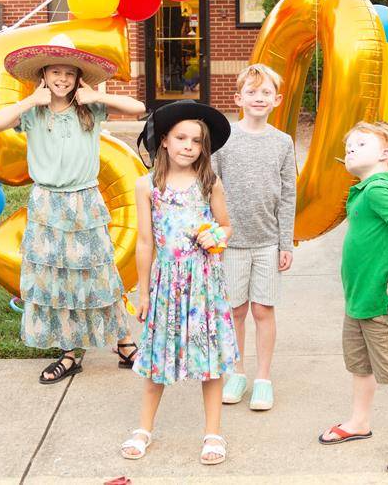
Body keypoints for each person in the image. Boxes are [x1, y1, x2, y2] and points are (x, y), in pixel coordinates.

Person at [0, 34, 145, 384]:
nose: (62, 79)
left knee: (99, 274)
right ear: (43, 75)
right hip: (48, 203)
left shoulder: (89, 110)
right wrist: (31, 100)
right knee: (59, 278)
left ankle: (125, 343)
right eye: (55, 72)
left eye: (69, 73)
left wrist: (97, 96)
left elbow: (138, 108)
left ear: (78, 78)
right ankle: (70, 352)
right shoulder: (34, 113)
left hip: (84, 201)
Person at [121, 101, 238, 465]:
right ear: (165, 141)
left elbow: (226, 226)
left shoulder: (209, 183)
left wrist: (216, 236)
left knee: (210, 360)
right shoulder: (147, 186)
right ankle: (144, 429)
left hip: (204, 283)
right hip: (166, 284)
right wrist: (143, 292)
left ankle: (213, 433)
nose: (189, 146)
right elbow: (145, 242)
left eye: (197, 141)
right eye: (181, 138)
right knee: (158, 358)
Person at [319, 121, 388, 476]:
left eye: (360, 144)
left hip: (379, 303)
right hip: (359, 301)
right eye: (348, 145)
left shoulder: (378, 188)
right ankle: (359, 422)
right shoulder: (364, 189)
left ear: (384, 154)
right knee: (360, 367)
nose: (350, 148)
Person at [211, 63, 296, 411]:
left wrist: (286, 242)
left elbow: (288, 195)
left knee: (263, 309)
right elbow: (210, 189)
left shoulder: (283, 142)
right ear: (238, 98)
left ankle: (263, 378)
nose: (258, 98)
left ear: (277, 99)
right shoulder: (223, 141)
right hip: (231, 243)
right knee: (235, 310)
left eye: (265, 93)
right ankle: (237, 372)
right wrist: (213, 235)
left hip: (267, 242)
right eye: (251, 92)